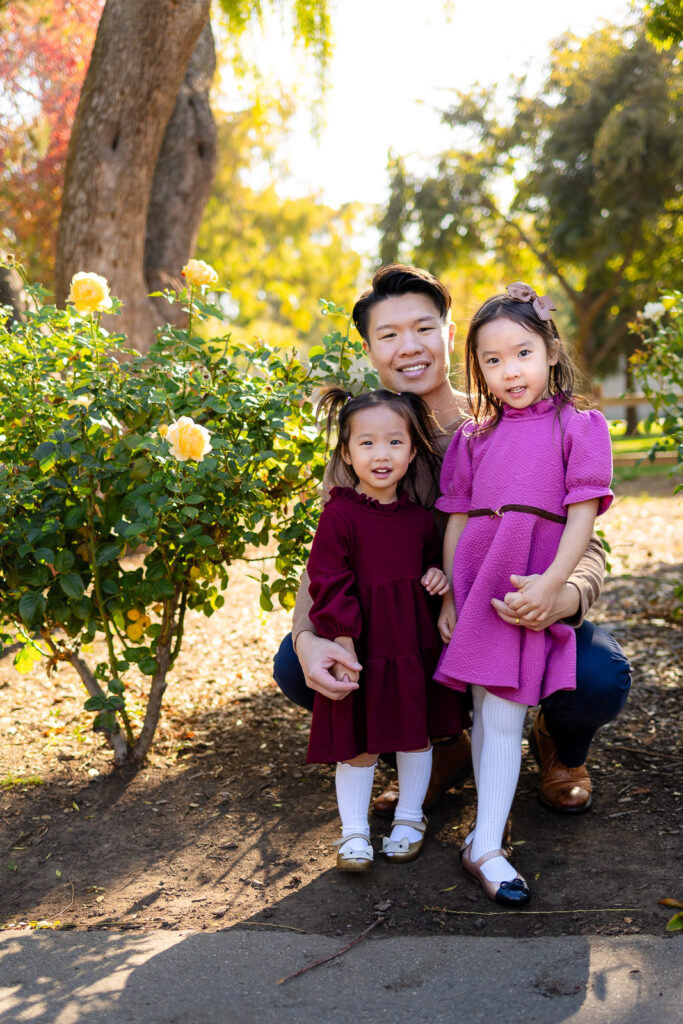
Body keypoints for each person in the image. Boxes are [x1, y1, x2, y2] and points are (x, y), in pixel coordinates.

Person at [273, 264, 630, 819]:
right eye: (388, 335)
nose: (408, 347)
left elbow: (587, 538)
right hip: (416, 619)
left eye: (422, 327)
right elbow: (327, 558)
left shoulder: (506, 412)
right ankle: (439, 748)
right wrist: (306, 637)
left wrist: (565, 594)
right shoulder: (369, 439)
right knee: (302, 669)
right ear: (370, 350)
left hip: (516, 601)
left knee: (601, 675)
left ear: (449, 331)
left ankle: (559, 746)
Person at [435, 282, 613, 906]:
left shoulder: (580, 424)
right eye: (492, 360)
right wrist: (453, 597)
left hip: (531, 579)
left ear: (552, 351)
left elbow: (584, 515)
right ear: (477, 367)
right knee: (492, 711)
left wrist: (555, 583)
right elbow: (457, 520)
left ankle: (485, 840)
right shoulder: (473, 438)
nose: (509, 370)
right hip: (482, 580)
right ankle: (486, 837)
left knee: (505, 710)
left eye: (522, 353)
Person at [305, 387, 465, 870]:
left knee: (415, 735)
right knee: (362, 743)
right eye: (367, 443)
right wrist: (344, 644)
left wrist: (438, 577)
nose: (381, 454)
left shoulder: (420, 520)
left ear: (412, 450)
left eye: (395, 442)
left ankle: (410, 818)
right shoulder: (339, 515)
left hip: (410, 643)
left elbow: (429, 567)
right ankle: (353, 831)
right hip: (361, 646)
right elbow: (328, 581)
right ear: (347, 453)